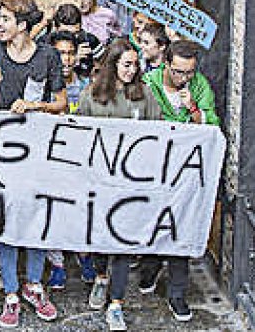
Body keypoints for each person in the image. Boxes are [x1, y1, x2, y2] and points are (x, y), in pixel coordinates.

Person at [0, 0, 65, 327]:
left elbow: (62, 103)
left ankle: (35, 286)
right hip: (2, 153)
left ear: (22, 25)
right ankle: (11, 292)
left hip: (39, 152)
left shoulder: (49, 55)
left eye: (4, 18)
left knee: (36, 218)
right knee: (6, 221)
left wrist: (34, 106)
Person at [76, 39, 162, 329]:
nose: (132, 69)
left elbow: (159, 134)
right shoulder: (90, 96)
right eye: (126, 64)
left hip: (130, 185)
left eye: (135, 64)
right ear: (112, 65)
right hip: (99, 184)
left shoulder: (145, 95)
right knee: (101, 239)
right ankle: (101, 276)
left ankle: (116, 303)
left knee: (124, 244)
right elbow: (78, 137)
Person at [137, 40, 219, 322]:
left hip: (185, 175)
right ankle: (149, 267)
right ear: (166, 64)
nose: (184, 78)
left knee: (179, 230)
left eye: (189, 73)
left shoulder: (199, 87)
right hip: (153, 171)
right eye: (178, 72)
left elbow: (213, 128)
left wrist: (194, 111)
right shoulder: (148, 83)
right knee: (154, 225)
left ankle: (177, 293)